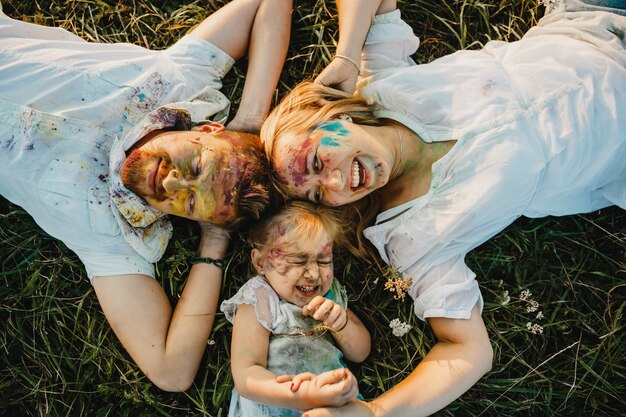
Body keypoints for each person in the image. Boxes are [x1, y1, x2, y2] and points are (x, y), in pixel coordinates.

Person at [260, 0, 626, 415]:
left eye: (316, 162)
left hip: (592, 18)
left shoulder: (383, 86)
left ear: (335, 115)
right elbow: (467, 349)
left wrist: (346, 56)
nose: (335, 183)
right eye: (318, 196)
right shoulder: (412, 237)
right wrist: (376, 412)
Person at [0, 0, 292, 391]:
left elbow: (172, 370)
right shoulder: (177, 79)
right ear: (207, 131)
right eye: (195, 168)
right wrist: (252, 118)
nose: (169, 185)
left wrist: (214, 243)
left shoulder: (109, 234)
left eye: (189, 202)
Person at [220, 201, 371, 416]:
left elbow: (360, 353)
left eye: (324, 260)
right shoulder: (260, 298)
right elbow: (247, 375)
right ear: (260, 262)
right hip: (275, 407)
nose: (313, 274)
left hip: (334, 408)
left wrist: (342, 324)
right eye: (298, 261)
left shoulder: (330, 295)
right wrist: (302, 394)